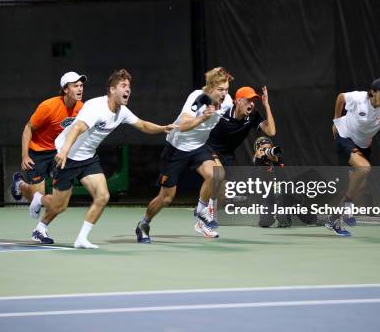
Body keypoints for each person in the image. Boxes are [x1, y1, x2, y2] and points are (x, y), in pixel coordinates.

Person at [52, 69, 175, 248]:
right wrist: (63, 151)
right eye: (123, 86)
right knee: (58, 205)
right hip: (68, 155)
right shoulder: (96, 106)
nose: (128, 90)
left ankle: (81, 239)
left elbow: (141, 124)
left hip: (87, 158)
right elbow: (77, 127)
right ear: (112, 89)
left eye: (129, 87)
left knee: (103, 196)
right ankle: (39, 209)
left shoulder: (122, 111)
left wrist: (163, 128)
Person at [136, 67, 234, 243]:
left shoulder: (227, 101)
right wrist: (202, 118)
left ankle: (201, 211)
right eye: (220, 89)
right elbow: (183, 124)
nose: (224, 93)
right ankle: (144, 224)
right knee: (167, 197)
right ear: (210, 87)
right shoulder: (198, 97)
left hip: (199, 147)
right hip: (177, 148)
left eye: (226, 89)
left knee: (216, 175)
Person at [10, 71, 86, 244]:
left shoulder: (81, 108)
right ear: (65, 89)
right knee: (36, 197)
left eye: (81, 85)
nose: (80, 88)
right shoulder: (48, 106)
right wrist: (24, 155)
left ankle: (41, 229)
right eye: (76, 85)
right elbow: (28, 128)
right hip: (37, 152)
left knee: (61, 203)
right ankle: (20, 184)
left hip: (58, 153)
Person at [329, 77, 380, 236]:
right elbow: (341, 98)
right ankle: (347, 206)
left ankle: (334, 219)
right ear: (373, 92)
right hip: (345, 136)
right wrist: (337, 120)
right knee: (364, 168)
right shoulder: (359, 98)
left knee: (362, 186)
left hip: (364, 145)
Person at [207, 86, 276, 166]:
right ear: (238, 101)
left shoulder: (253, 116)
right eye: (249, 100)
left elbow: (271, 132)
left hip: (228, 156)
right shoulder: (222, 116)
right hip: (210, 151)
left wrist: (267, 105)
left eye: (253, 101)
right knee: (218, 175)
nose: (252, 103)